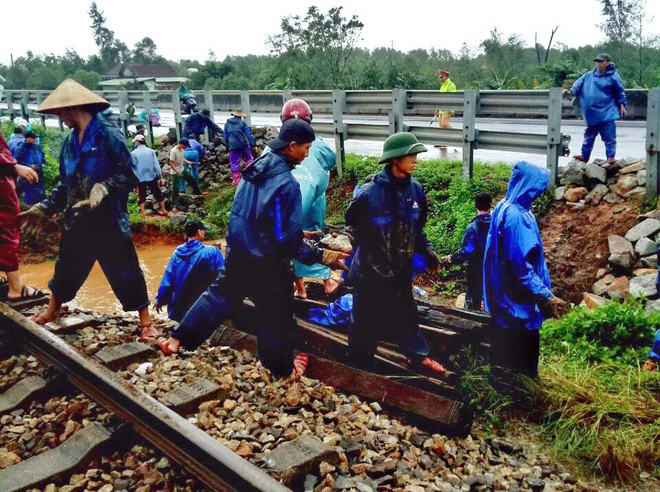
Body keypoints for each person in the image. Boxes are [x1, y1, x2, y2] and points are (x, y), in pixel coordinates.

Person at [156, 118, 348, 381]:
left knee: (217, 296)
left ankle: (177, 339)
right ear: (292, 147)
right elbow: (287, 241)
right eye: (305, 148)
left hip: (238, 252)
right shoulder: (287, 184)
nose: (306, 154)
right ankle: (283, 370)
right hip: (267, 264)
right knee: (275, 316)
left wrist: (297, 232)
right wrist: (323, 256)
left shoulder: (254, 170)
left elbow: (257, 216)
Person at [17, 78, 157, 340]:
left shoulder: (109, 136)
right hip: (77, 222)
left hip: (109, 221)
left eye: (61, 111)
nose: (59, 116)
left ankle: (146, 322)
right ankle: (52, 312)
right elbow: (65, 186)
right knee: (66, 267)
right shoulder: (69, 144)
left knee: (126, 269)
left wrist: (103, 188)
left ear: (74, 108)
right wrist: (43, 208)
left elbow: (129, 175)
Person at [344, 132, 445, 374]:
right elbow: (352, 228)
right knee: (364, 323)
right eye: (410, 155)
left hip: (400, 272)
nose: (415, 159)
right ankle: (359, 367)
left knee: (407, 317)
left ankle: (418, 358)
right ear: (394, 159)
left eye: (416, 154)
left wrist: (428, 250)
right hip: (370, 273)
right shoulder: (369, 195)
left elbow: (417, 228)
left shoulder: (416, 192)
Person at [483, 161, 566, 390]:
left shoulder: (504, 206)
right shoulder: (516, 218)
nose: (538, 193)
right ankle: (522, 388)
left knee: (504, 337)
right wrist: (544, 294)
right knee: (523, 340)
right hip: (517, 294)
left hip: (505, 291)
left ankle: (503, 383)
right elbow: (520, 265)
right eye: (537, 187)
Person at [275, 99, 340, 299]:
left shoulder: (274, 149)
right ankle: (327, 280)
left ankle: (300, 288)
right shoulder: (317, 146)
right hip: (311, 206)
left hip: (283, 209)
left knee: (289, 241)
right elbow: (330, 160)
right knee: (315, 237)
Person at [0, 133, 48, 303]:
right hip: (5, 182)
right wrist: (14, 167)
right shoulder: (21, 147)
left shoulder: (35, 147)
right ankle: (16, 288)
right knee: (6, 230)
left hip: (28, 180)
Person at [154, 220, 224, 322]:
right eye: (203, 230)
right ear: (199, 232)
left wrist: (160, 300)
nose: (204, 233)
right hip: (201, 309)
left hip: (178, 311)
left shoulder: (176, 253)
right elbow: (223, 276)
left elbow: (168, 280)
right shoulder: (212, 252)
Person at [565, 53, 627, 164]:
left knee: (609, 135)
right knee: (589, 135)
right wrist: (570, 92)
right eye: (597, 61)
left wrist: (622, 105)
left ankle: (610, 156)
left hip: (606, 111)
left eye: (601, 61)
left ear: (607, 62)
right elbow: (577, 86)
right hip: (591, 112)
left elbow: (620, 91)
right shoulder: (588, 76)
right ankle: (584, 155)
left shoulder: (613, 76)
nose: (599, 63)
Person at [442, 192, 492, 311]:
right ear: (490, 206)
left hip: (475, 270)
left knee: (474, 300)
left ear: (476, 206)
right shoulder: (496, 225)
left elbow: (467, 251)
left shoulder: (472, 228)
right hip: (493, 268)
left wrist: (451, 258)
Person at [131, 134, 167, 217]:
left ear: (137, 142)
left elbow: (133, 167)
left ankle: (143, 213)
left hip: (140, 178)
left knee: (141, 195)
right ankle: (163, 210)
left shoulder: (133, 153)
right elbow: (156, 165)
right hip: (151, 176)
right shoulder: (151, 151)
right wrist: (160, 177)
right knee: (158, 193)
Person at [223, 109, 257, 185]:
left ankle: (236, 180)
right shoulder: (242, 123)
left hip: (233, 145)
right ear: (240, 116)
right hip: (243, 144)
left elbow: (225, 136)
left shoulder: (227, 124)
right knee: (249, 158)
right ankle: (250, 176)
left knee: (234, 162)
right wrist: (253, 145)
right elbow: (249, 135)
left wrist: (228, 145)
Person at [168, 137, 203, 211]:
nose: (186, 147)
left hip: (182, 169)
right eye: (185, 146)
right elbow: (171, 162)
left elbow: (182, 159)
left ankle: (199, 193)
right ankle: (174, 205)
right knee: (176, 188)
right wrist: (177, 172)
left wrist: (190, 163)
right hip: (175, 172)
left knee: (192, 179)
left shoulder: (181, 150)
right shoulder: (173, 151)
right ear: (181, 144)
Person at [15, 131, 47, 205]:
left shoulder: (37, 146)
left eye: (35, 138)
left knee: (41, 191)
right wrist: (29, 166)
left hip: (39, 173)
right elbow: (17, 162)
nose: (35, 139)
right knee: (30, 192)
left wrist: (44, 160)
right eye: (33, 138)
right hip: (28, 174)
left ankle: (42, 205)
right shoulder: (21, 148)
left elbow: (42, 155)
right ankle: (29, 206)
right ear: (28, 138)